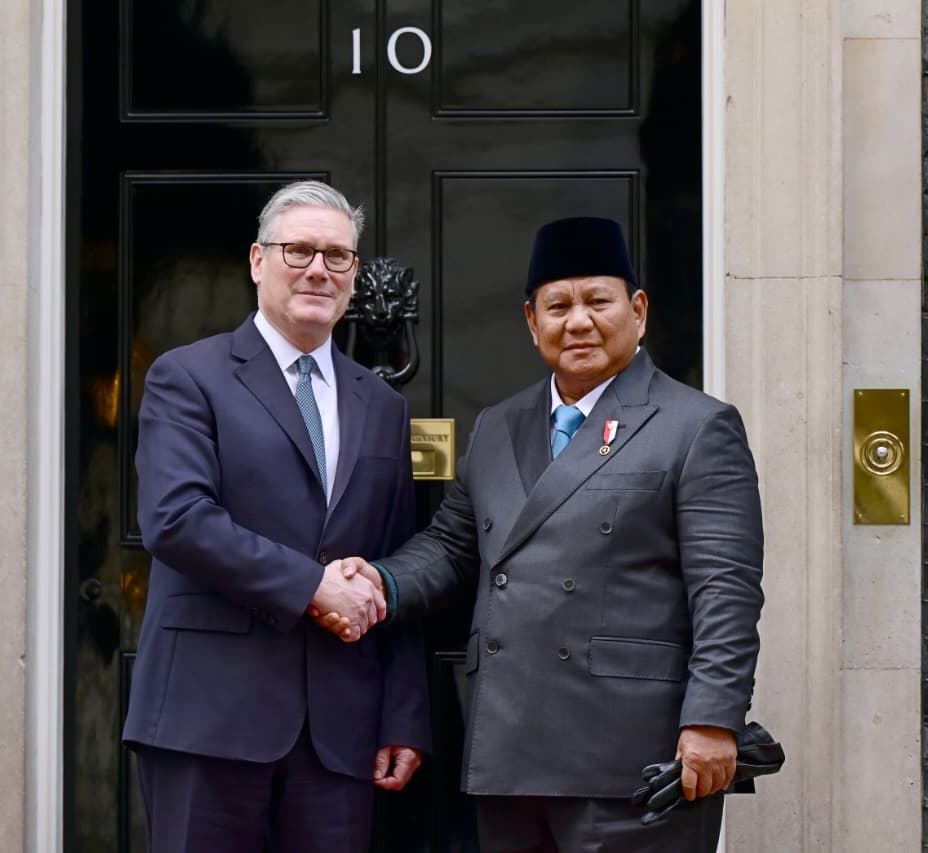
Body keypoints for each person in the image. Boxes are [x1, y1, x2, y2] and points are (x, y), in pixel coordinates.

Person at [319, 215, 765, 853]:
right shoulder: (499, 426)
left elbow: (726, 587)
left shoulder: (696, 426)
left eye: (597, 302)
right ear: (532, 322)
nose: (577, 321)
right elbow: (451, 548)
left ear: (638, 310)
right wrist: (381, 582)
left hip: (631, 758)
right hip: (511, 753)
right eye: (558, 305)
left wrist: (712, 719)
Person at [122, 180, 431, 853]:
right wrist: (312, 586)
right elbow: (175, 519)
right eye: (298, 251)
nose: (319, 269)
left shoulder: (382, 405)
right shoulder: (189, 376)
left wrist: (404, 714)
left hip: (338, 734)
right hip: (208, 719)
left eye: (337, 256)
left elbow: (396, 556)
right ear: (257, 261)